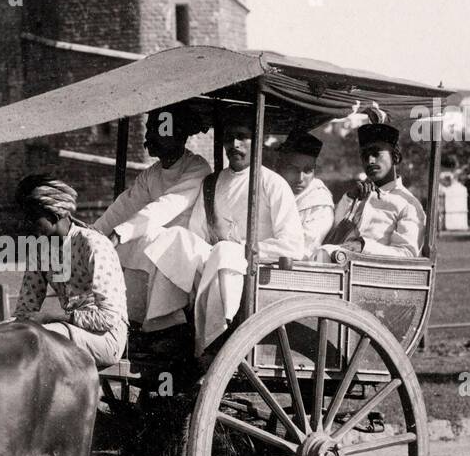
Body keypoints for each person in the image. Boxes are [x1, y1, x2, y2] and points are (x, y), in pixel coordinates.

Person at [143, 115, 305, 354]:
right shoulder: (212, 183)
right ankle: (167, 326)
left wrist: (244, 246)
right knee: (173, 236)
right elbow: (195, 235)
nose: (234, 145)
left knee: (226, 250)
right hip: (215, 263)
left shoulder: (272, 183)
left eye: (242, 137)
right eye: (229, 138)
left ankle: (218, 334)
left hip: (255, 271)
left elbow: (293, 245)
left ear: (257, 140)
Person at [93, 106, 211, 323]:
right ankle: (129, 321)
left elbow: (166, 205)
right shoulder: (151, 174)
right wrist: (94, 234)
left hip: (190, 250)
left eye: (158, 130)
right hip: (159, 242)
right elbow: (124, 206)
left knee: (158, 240)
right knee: (127, 245)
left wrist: (122, 232)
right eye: (149, 129)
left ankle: (166, 324)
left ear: (180, 135)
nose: (149, 136)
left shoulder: (196, 167)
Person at [10, 174, 128, 367]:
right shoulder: (40, 250)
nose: (25, 224)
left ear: (54, 214)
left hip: (106, 339)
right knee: (0, 335)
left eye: (31, 217)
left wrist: (51, 317)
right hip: (67, 330)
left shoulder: (93, 244)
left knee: (34, 338)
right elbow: (25, 310)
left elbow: (108, 318)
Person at [322, 110, 425, 259]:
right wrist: (349, 199)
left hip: (376, 275)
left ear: (395, 157)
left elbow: (408, 254)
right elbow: (330, 235)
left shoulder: (408, 204)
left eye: (376, 154)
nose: (370, 161)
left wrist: (363, 247)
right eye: (365, 155)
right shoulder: (357, 196)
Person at [274, 129, 334, 251]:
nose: (300, 178)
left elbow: (302, 249)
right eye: (293, 169)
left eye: (307, 170)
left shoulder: (320, 204)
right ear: (279, 166)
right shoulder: (273, 188)